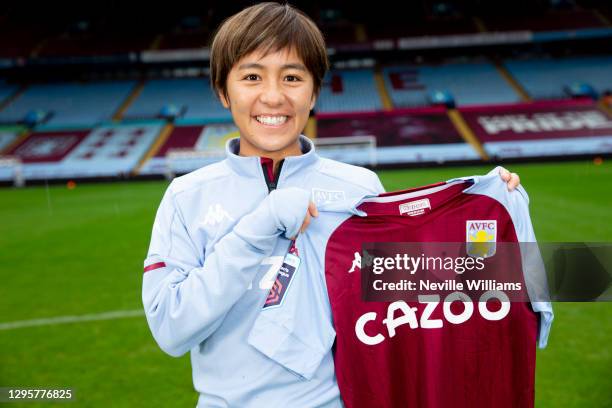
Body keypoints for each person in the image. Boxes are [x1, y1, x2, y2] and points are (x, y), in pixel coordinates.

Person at [141, 2, 521, 407]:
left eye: (292, 77)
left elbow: (421, 291)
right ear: (223, 91)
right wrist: (257, 228)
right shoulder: (187, 196)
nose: (273, 96)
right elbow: (171, 328)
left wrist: (487, 215)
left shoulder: (358, 187)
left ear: (314, 92)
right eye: (252, 77)